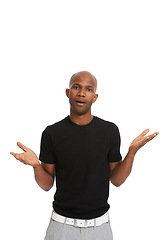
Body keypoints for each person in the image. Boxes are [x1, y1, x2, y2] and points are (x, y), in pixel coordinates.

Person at [10, 71, 159, 240]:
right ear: (68, 92)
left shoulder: (109, 131)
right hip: (61, 227)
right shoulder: (52, 133)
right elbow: (46, 185)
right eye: (76, 87)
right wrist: (36, 166)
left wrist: (132, 153)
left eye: (88, 89)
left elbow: (116, 180)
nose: (81, 93)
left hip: (100, 228)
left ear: (94, 97)